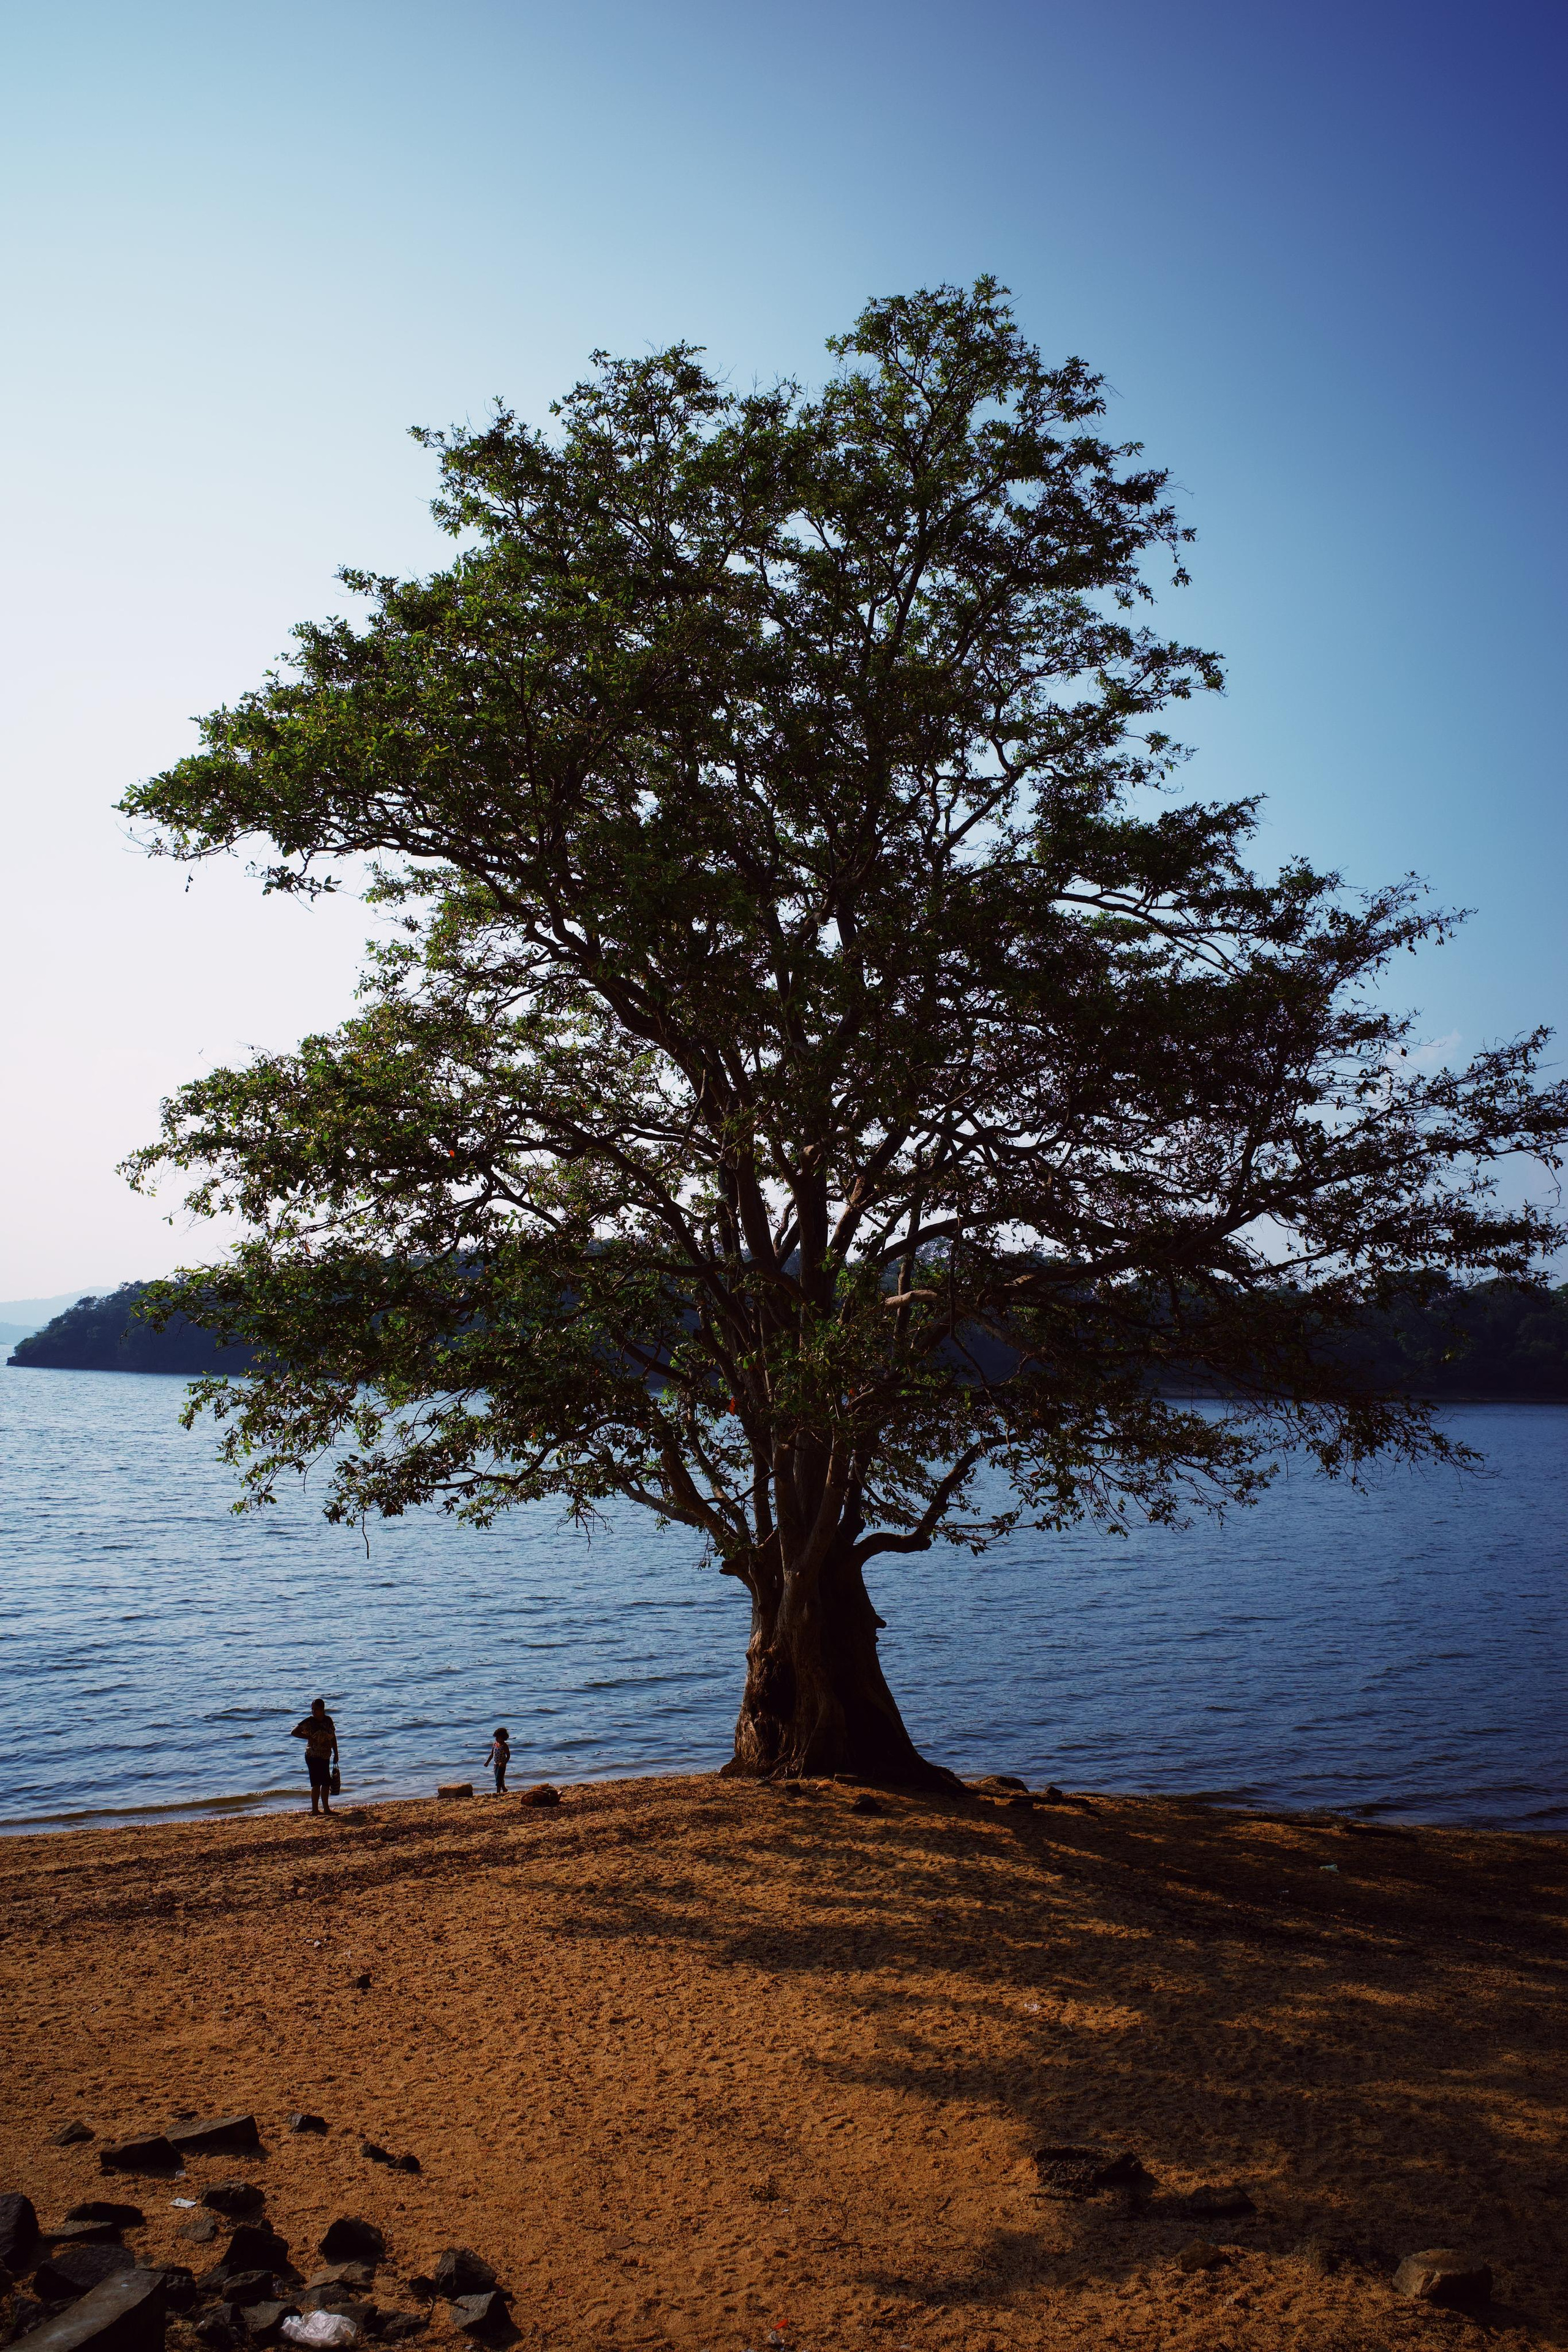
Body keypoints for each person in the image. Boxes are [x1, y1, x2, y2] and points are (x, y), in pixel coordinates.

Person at [290, 1697, 339, 1815]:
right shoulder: (309, 1721)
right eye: (312, 1709)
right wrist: (309, 1737)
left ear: (322, 1709)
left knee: (326, 1782)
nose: (313, 1711)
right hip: (312, 1756)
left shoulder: (328, 1721)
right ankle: (315, 1810)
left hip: (325, 1756)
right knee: (316, 1783)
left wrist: (336, 1753)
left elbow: (333, 1737)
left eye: (316, 1709)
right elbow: (294, 1732)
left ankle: (326, 1809)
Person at [483, 1727, 510, 1795]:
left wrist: (504, 1763)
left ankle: (498, 1792)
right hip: (496, 1764)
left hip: (502, 1765)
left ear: (502, 1738)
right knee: (498, 1777)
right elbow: (492, 1754)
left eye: (498, 1738)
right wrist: (487, 1762)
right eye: (496, 1738)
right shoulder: (495, 1744)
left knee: (499, 1778)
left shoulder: (504, 1746)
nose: (496, 1739)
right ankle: (504, 1788)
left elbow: (508, 1756)